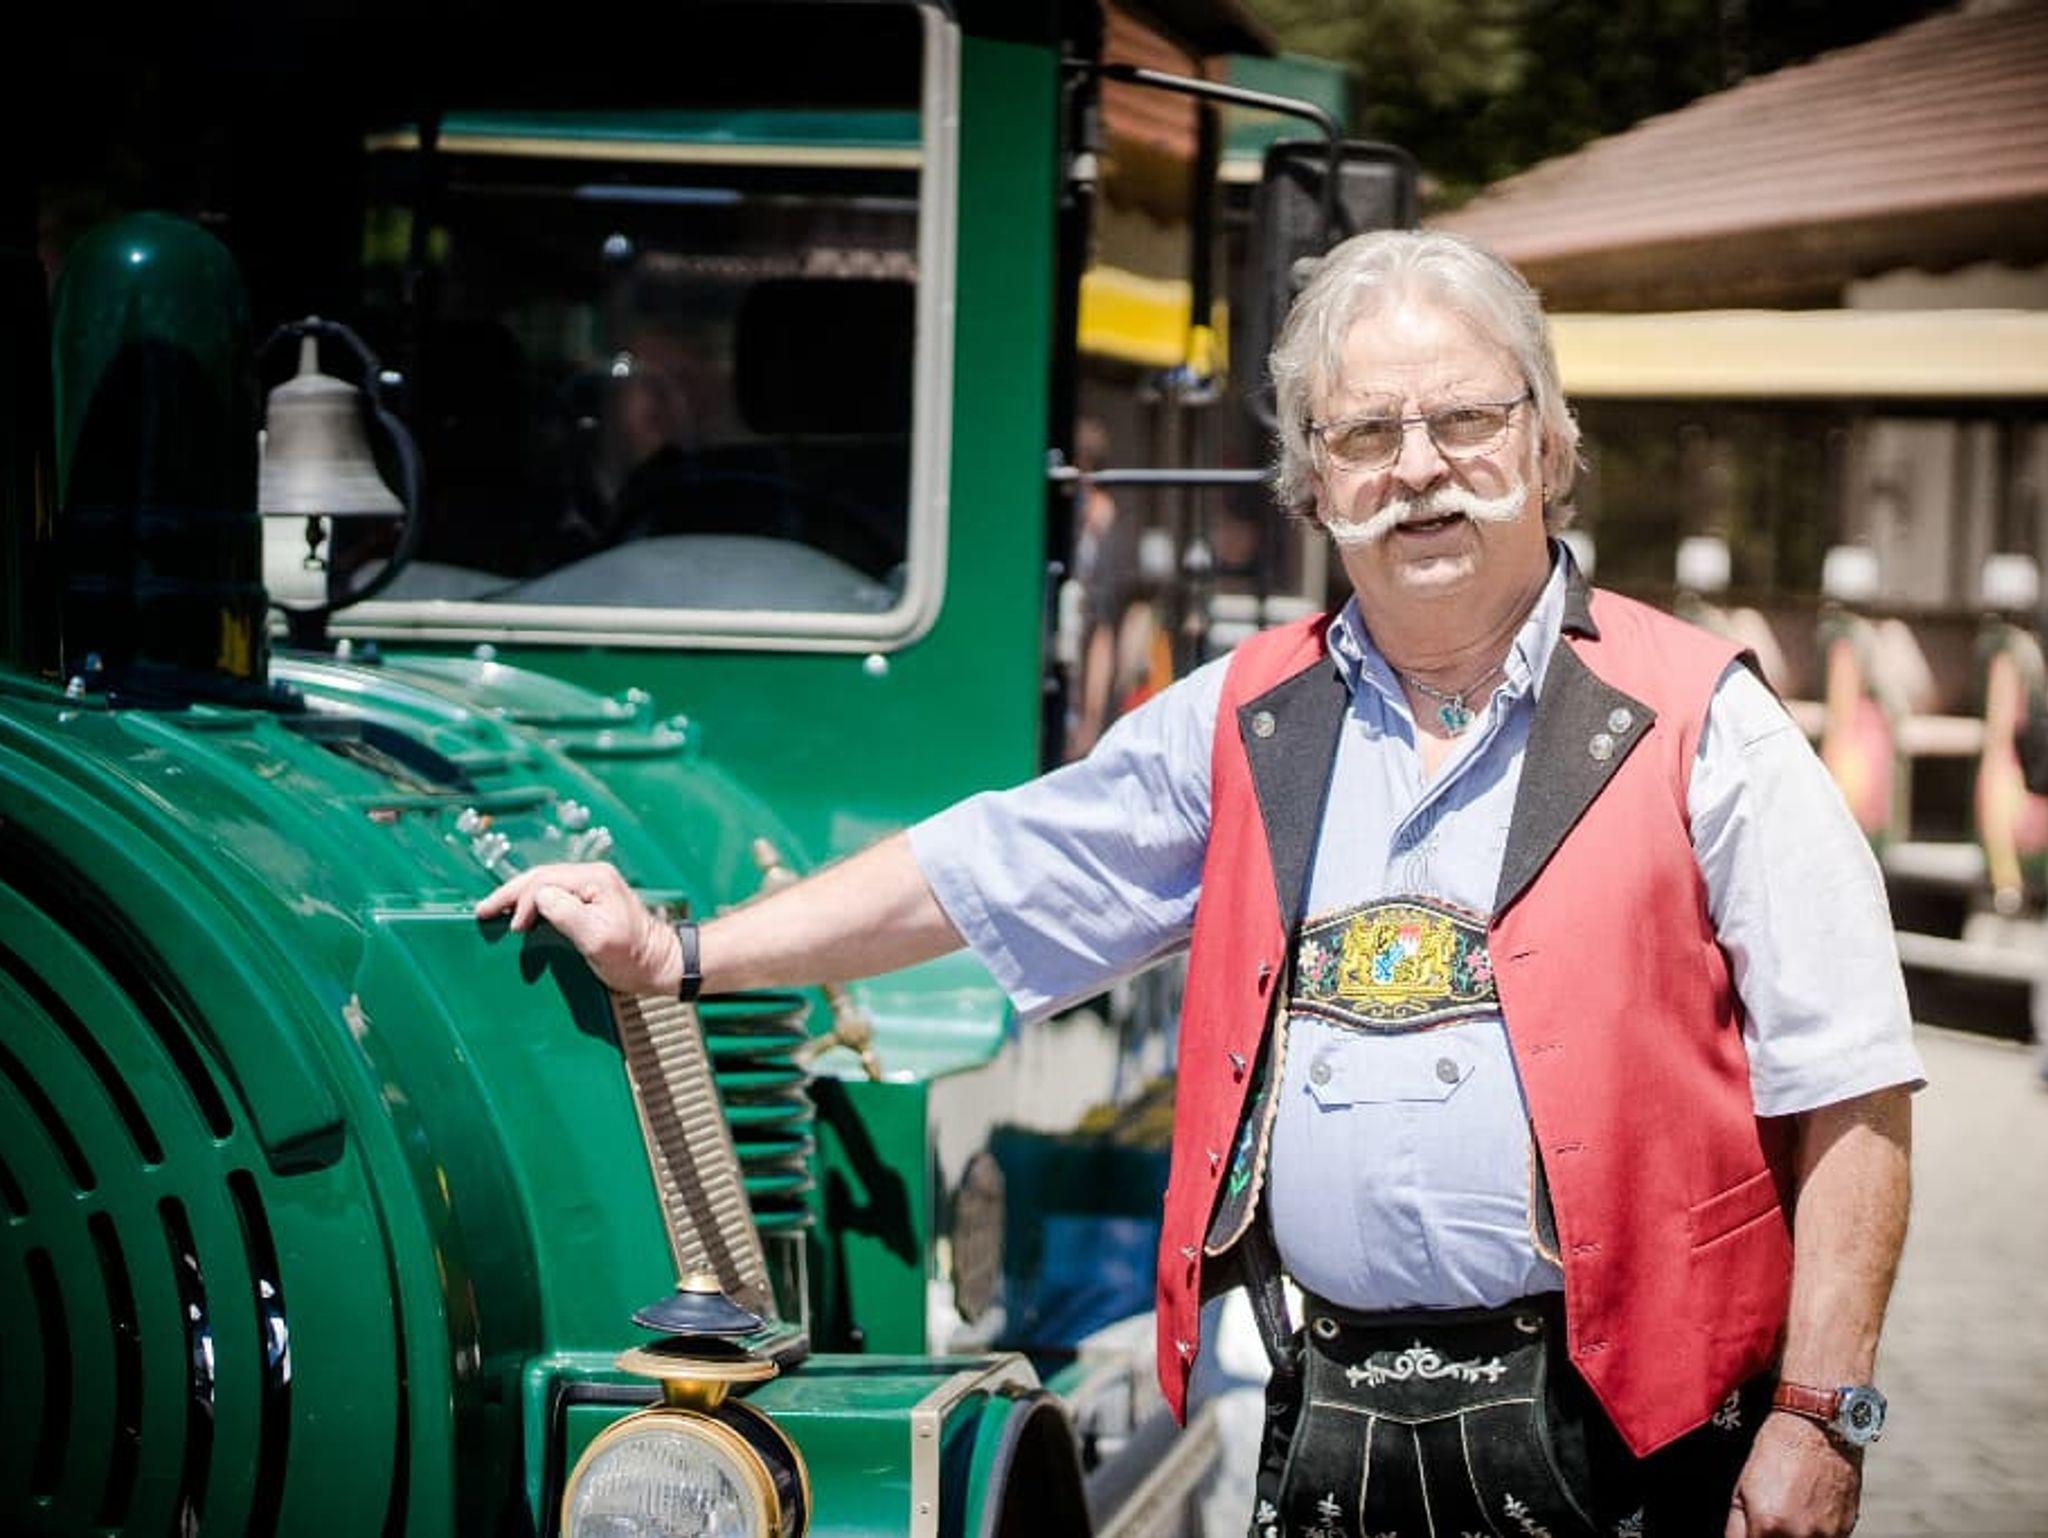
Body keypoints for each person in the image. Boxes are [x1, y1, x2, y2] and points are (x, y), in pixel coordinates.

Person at [479, 230, 1921, 1538]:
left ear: (1548, 443)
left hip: (1643, 1443)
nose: (1420, 466)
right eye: (1367, 432)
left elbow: (1851, 1083)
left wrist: (1819, 1415)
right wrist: (682, 954)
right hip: (1336, 1430)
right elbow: (992, 869)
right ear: (1313, 480)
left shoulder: (1703, 719)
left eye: (1467, 417)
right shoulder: (1248, 719)